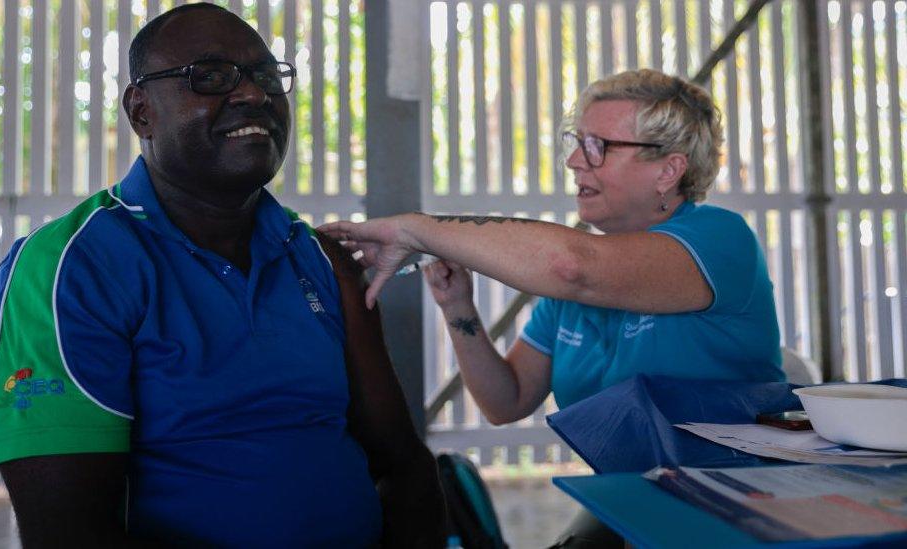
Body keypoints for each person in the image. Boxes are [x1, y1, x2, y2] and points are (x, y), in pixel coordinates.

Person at [0, 4, 445, 547]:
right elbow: (69, 534)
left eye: (267, 76)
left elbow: (405, 468)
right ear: (141, 111)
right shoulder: (69, 269)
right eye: (211, 76)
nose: (253, 94)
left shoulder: (319, 259)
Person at [320, 69, 785, 546]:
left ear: (668, 170)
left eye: (599, 146)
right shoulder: (579, 288)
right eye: (576, 141)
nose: (574, 161)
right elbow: (506, 400)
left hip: (744, 507)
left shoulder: (718, 239)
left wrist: (416, 228)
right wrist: (458, 307)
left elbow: (571, 266)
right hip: (643, 503)